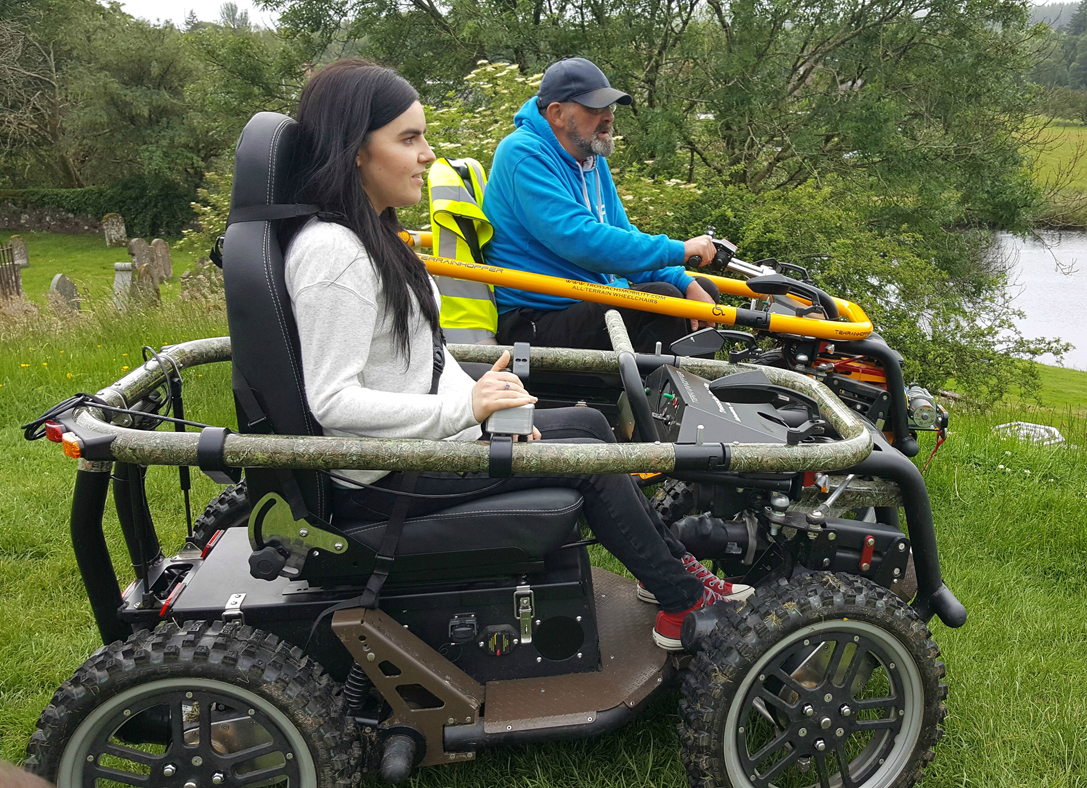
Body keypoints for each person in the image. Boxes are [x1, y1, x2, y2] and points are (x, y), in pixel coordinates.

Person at [287, 60, 749, 650]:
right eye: (409, 139)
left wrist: (489, 408)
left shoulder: (372, 236)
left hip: (416, 446)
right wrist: (468, 413)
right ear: (354, 150)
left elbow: (421, 360)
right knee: (586, 459)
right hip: (383, 476)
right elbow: (331, 403)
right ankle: (684, 606)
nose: (429, 155)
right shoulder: (337, 256)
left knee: (585, 425)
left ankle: (673, 575)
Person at [482, 57, 719, 353]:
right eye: (596, 108)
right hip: (535, 319)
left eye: (610, 107)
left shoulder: (591, 159)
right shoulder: (522, 154)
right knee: (660, 302)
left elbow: (620, 231)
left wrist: (682, 278)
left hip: (583, 300)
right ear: (557, 113)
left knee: (698, 291)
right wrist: (679, 250)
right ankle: (651, 396)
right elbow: (581, 239)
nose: (609, 116)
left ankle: (688, 389)